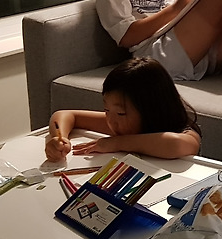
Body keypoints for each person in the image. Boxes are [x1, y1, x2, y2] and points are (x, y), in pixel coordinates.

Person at [45, 57, 201, 162]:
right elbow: (65, 115)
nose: (111, 121)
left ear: (151, 109)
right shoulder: (120, 124)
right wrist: (60, 138)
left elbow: (176, 144)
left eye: (121, 113)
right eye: (106, 110)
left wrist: (116, 143)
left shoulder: (183, 131)